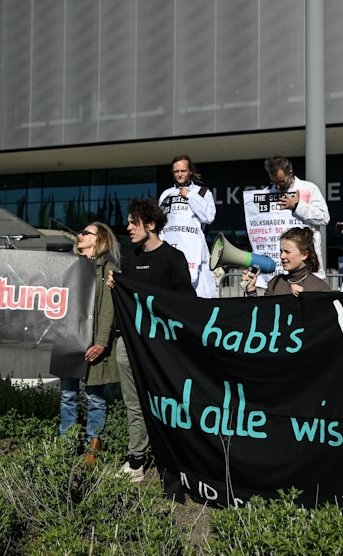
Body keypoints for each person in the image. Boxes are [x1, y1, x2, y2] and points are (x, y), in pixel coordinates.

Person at [107, 198, 194, 482]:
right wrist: (115, 286)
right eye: (129, 221)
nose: (128, 227)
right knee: (133, 403)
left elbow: (184, 304)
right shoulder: (129, 257)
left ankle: (178, 458)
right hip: (129, 343)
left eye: (134, 222)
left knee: (168, 401)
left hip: (160, 346)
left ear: (151, 225)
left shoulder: (173, 259)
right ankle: (136, 460)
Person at [60, 222, 120, 466]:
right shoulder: (69, 264)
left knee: (95, 396)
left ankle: (93, 448)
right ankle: (66, 445)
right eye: (80, 231)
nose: (79, 235)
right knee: (67, 395)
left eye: (86, 233)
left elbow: (108, 307)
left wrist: (102, 342)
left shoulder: (108, 266)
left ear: (100, 239)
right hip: (68, 338)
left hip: (93, 339)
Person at [158, 155, 218, 298]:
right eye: (176, 171)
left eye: (183, 171)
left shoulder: (202, 192)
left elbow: (208, 217)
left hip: (195, 251)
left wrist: (191, 196)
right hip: (170, 249)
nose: (179, 174)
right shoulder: (166, 194)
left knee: (199, 295)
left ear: (190, 171)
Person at [262, 156, 330, 278]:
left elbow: (324, 217)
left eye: (281, 181)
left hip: (307, 266)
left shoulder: (309, 188)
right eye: (274, 182)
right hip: (278, 270)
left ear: (290, 173)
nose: (277, 186)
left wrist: (297, 206)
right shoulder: (267, 193)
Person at [242, 227, 331, 296]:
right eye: (281, 251)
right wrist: (251, 290)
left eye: (287, 252)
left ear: (304, 255)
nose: (282, 256)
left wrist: (306, 298)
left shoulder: (320, 287)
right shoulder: (275, 283)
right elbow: (264, 315)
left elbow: (324, 317)